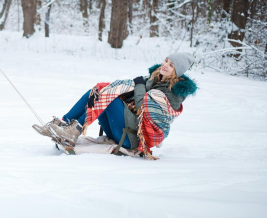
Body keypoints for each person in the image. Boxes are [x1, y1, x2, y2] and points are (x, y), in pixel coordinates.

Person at [33, 52, 198, 157]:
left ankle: (72, 131)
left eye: (171, 65)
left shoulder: (172, 95)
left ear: (177, 72)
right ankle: (66, 124)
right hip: (120, 128)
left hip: (132, 139)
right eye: (166, 60)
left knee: (108, 98)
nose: (165, 65)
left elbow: (142, 109)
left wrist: (139, 85)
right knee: (99, 91)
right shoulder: (153, 80)